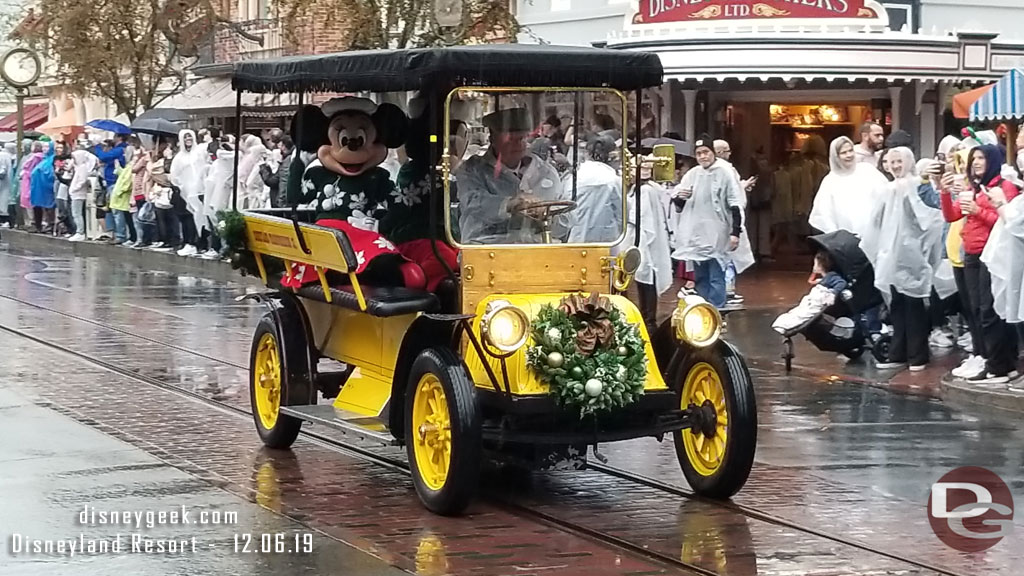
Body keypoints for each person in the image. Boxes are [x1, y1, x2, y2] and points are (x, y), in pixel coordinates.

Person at [940, 144, 1021, 383]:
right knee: (974, 309)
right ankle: (984, 356)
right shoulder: (974, 187)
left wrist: (977, 211)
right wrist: (944, 193)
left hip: (992, 253)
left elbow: (1009, 220)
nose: (975, 162)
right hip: (971, 253)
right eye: (973, 158)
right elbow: (952, 215)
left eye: (981, 158)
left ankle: (1001, 364)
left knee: (990, 310)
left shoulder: (1003, 187)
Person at [873, 147, 945, 371]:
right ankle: (898, 353)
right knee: (897, 304)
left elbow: (930, 219)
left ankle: (917, 355)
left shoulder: (916, 185)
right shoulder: (888, 189)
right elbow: (876, 221)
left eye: (899, 161)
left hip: (912, 255)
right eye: (891, 162)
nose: (895, 166)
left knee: (914, 305)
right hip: (891, 256)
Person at [455, 107, 568, 244]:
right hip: (487, 249)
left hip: (538, 251)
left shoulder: (546, 172)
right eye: (510, 139)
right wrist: (509, 204)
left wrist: (547, 214)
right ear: (493, 139)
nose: (518, 144)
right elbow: (473, 202)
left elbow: (565, 222)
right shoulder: (473, 170)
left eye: (522, 138)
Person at [669, 135, 743, 310]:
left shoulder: (724, 173)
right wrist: (680, 197)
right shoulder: (692, 175)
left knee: (716, 276)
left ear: (713, 153)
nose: (703, 156)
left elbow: (735, 204)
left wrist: (735, 233)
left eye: (706, 152)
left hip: (718, 233)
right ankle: (704, 313)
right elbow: (679, 205)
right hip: (697, 235)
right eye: (699, 153)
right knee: (700, 277)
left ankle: (717, 311)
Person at [809, 136, 889, 243]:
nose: (849, 155)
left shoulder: (867, 170)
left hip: (875, 238)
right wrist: (837, 236)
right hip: (846, 244)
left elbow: (886, 196)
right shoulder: (830, 181)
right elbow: (822, 214)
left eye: (850, 150)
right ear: (836, 156)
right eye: (843, 153)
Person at [565, 133, 622, 243]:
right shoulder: (612, 179)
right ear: (611, 156)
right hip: (606, 242)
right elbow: (622, 213)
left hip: (577, 239)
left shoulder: (574, 177)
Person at [68, 148, 98, 242]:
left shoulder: (82, 168)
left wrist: (74, 188)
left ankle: (80, 232)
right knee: (76, 213)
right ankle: (79, 231)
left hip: (78, 194)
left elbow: (82, 181)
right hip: (76, 193)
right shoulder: (80, 167)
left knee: (76, 213)